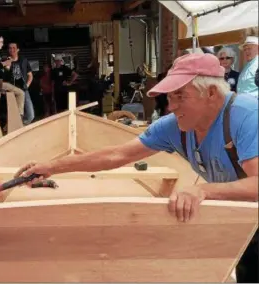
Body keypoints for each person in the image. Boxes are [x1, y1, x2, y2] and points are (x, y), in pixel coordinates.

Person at [15, 53, 258, 283]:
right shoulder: (173, 127)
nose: (171, 106)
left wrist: (203, 190)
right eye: (169, 97)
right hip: (244, 216)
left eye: (180, 96)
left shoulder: (246, 116)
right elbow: (116, 155)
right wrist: (51, 166)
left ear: (212, 93)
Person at [3, 42, 34, 125]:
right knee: (13, 114)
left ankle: (21, 125)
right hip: (11, 91)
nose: (12, 49)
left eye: (14, 48)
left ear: (18, 49)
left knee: (31, 115)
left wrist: (27, 85)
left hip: (23, 89)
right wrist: (6, 66)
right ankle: (16, 127)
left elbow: (30, 75)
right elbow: (3, 75)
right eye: (10, 48)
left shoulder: (23, 60)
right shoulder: (6, 60)